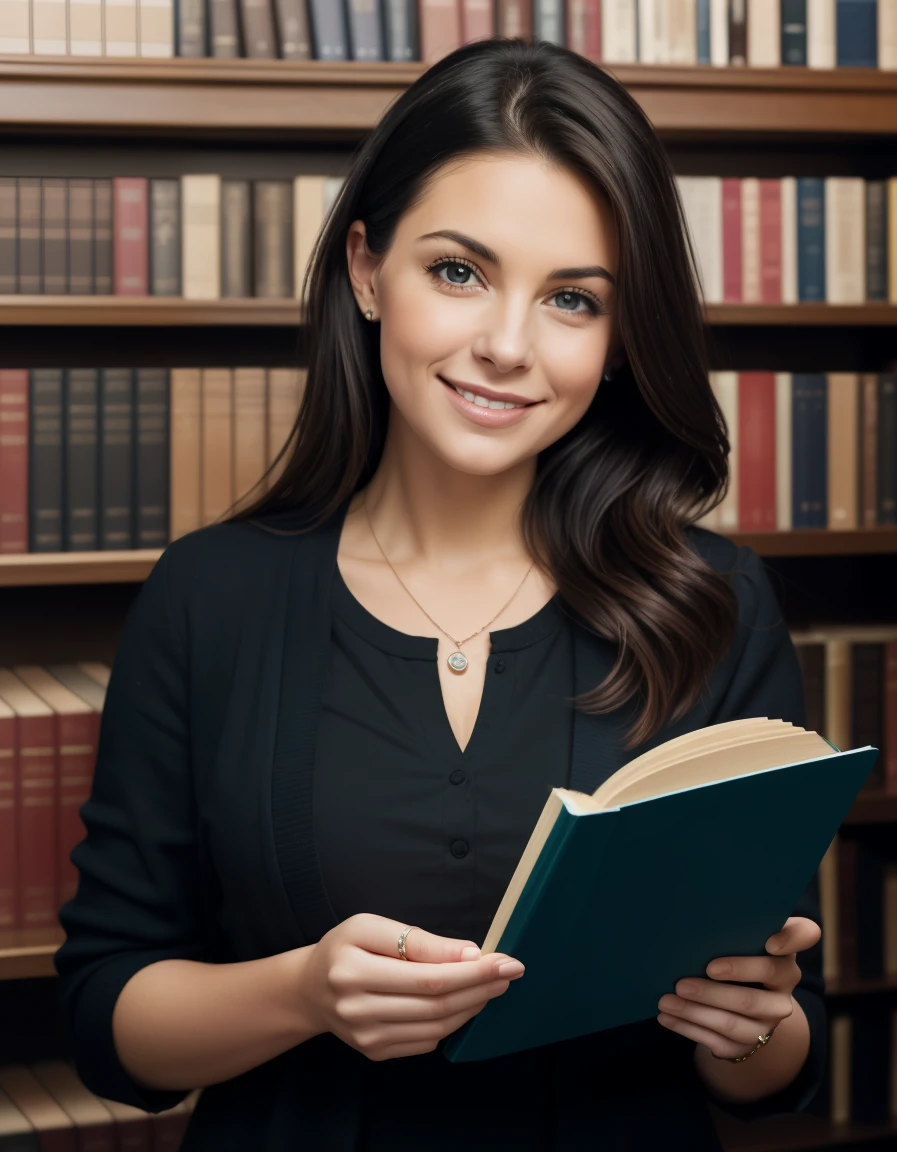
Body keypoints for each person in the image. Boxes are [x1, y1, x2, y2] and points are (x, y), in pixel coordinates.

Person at [55, 36, 825, 1149]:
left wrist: (753, 1029)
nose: (506, 345)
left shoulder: (717, 604)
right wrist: (303, 993)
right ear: (367, 270)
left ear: (618, 342)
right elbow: (105, 1020)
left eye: (572, 300)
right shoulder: (208, 596)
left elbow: (785, 1047)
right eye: (458, 272)